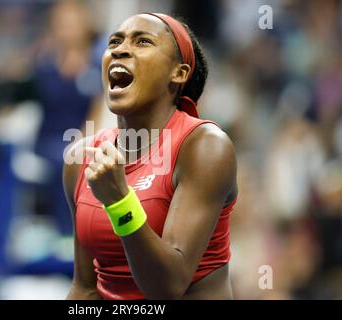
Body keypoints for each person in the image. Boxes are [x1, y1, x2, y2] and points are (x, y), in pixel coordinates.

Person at [63, 13, 238, 300]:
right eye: (114, 42)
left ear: (178, 73)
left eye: (142, 41)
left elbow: (167, 287)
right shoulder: (81, 158)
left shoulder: (205, 147)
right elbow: (85, 287)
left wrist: (120, 202)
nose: (119, 49)